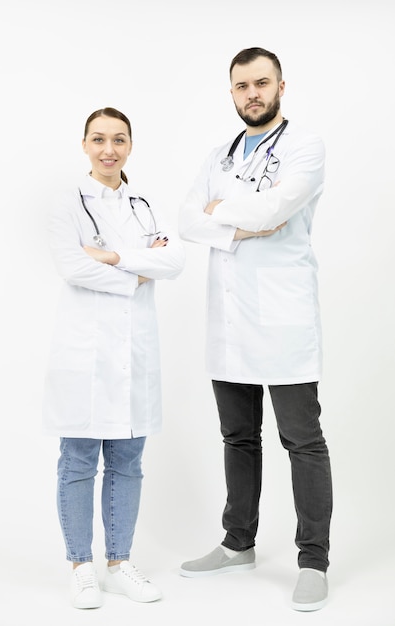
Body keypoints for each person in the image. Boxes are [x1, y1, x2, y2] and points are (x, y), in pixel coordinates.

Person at [178, 47, 332, 612]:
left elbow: (281, 206)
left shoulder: (305, 146)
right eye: (242, 86)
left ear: (281, 86)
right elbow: (185, 218)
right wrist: (240, 223)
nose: (252, 94)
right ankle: (238, 542)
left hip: (283, 318)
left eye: (261, 83)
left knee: (303, 441)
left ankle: (313, 559)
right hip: (229, 321)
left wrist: (224, 213)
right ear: (232, 93)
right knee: (238, 437)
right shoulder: (218, 153)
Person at [43, 107, 185, 609]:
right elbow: (72, 266)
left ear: (131, 145)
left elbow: (175, 260)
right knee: (79, 461)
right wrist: (139, 274)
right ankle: (81, 565)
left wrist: (115, 257)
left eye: (119, 139)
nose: (109, 149)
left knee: (128, 461)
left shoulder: (146, 204)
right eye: (99, 139)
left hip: (136, 351)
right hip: (83, 352)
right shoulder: (68, 202)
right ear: (84, 144)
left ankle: (119, 563)